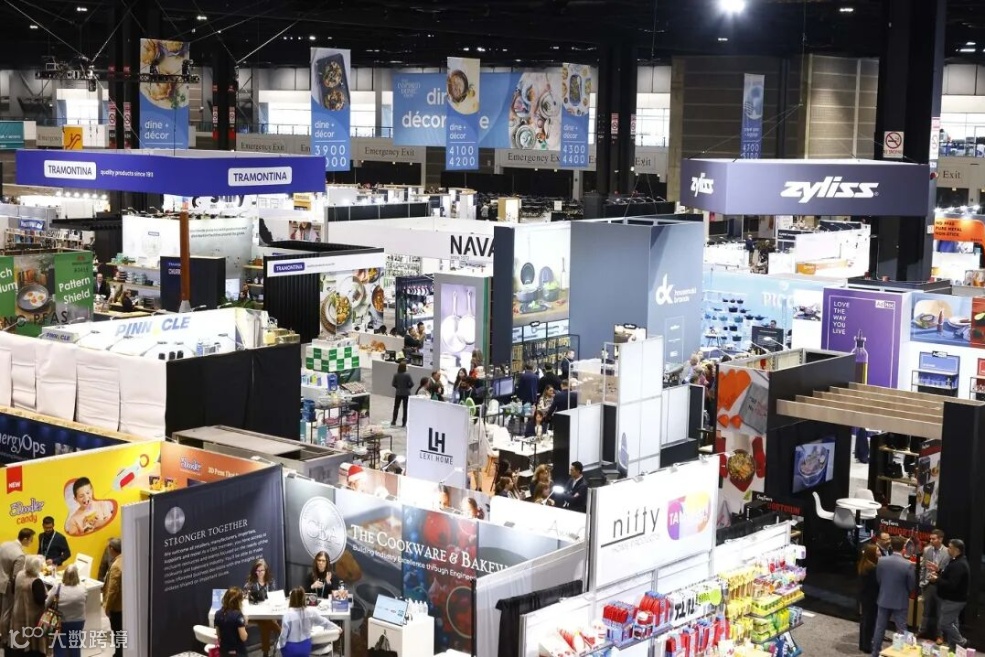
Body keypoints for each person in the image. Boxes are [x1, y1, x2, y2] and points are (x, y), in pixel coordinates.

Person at [870, 536, 915, 657]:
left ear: (891, 546)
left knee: (880, 627)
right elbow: (911, 585)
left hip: (884, 598)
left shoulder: (881, 561)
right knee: (901, 629)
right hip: (900, 601)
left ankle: (875, 652)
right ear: (904, 548)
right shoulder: (908, 565)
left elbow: (879, 579)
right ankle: (902, 654)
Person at [932, 538, 969, 649]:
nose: (948, 549)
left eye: (950, 547)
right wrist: (939, 571)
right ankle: (953, 646)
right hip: (956, 599)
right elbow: (950, 576)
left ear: (957, 550)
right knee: (953, 622)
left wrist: (937, 579)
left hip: (954, 600)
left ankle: (961, 642)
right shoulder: (957, 561)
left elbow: (952, 584)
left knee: (944, 624)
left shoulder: (959, 565)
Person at [0, 528, 34, 645]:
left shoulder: (5, 544)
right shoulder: (19, 555)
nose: (31, 542)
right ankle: (4, 639)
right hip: (6, 585)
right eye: (31, 540)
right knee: (6, 613)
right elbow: (17, 577)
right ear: (25, 539)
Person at [277, 587, 332, 657]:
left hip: (291, 649)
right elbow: (324, 622)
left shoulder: (287, 615)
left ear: (291, 599)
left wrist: (279, 645)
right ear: (304, 599)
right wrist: (337, 628)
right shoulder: (311, 612)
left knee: (281, 646)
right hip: (305, 648)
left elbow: (283, 636)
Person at [10, 555, 46, 657]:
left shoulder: (19, 574)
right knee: (31, 640)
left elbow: (12, 590)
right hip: (31, 615)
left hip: (17, 611)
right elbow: (40, 600)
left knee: (19, 638)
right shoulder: (36, 581)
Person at [918, 529, 950, 641]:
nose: (931, 540)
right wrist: (921, 582)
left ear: (940, 539)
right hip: (928, 584)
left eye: (933, 539)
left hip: (940, 585)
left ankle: (939, 635)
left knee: (939, 611)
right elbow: (923, 567)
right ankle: (921, 631)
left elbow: (949, 570)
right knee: (925, 610)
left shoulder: (948, 552)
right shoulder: (927, 550)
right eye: (930, 538)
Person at [48, 564, 86, 657]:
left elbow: (47, 602)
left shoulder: (57, 587)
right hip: (78, 621)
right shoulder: (83, 587)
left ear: (64, 575)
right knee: (75, 645)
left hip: (60, 622)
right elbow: (85, 602)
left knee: (59, 645)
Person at [245, 558, 278, 657]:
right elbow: (245, 596)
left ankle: (265, 653)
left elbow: (273, 597)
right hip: (254, 613)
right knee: (266, 622)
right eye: (257, 571)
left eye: (262, 570)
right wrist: (247, 595)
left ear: (266, 570)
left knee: (265, 624)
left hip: (267, 612)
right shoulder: (251, 583)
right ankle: (281, 633)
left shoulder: (271, 582)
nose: (259, 573)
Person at [858, 544, 880, 653]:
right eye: (877, 551)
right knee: (870, 622)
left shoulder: (864, 565)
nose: (879, 552)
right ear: (872, 554)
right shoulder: (873, 568)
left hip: (865, 597)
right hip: (872, 598)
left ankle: (863, 644)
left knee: (865, 620)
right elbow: (877, 584)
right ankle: (867, 646)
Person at [214, 587, 249, 656]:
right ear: (238, 601)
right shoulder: (238, 616)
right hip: (237, 652)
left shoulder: (217, 614)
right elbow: (244, 637)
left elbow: (218, 635)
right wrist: (245, 623)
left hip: (224, 651)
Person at [103, 538, 123, 657]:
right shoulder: (125, 560)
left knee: (117, 631)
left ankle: (119, 654)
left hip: (117, 606)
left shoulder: (116, 566)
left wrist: (107, 607)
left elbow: (112, 590)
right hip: (125, 603)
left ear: (112, 549)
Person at [390, 362, 414, 427]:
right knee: (405, 408)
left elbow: (393, 384)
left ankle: (394, 421)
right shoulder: (407, 375)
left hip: (398, 393)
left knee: (396, 407)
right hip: (406, 393)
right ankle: (404, 423)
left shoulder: (396, 375)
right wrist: (408, 387)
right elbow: (412, 384)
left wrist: (398, 387)